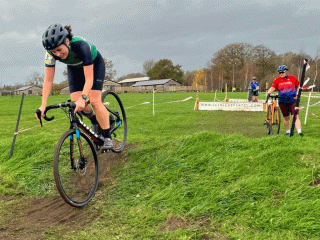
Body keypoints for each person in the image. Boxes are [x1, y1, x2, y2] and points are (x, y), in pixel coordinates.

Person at [35, 23, 113, 150]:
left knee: (94, 100)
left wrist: (83, 97)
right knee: (76, 104)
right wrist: (43, 105)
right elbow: (48, 81)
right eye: (54, 51)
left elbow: (89, 79)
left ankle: (108, 137)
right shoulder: (50, 54)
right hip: (74, 68)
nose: (57, 54)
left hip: (94, 64)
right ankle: (95, 121)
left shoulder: (81, 46)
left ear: (67, 41)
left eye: (59, 49)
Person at [266, 65, 303, 136]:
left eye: (282, 72)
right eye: (279, 73)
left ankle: (299, 132)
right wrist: (268, 92)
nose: (281, 74)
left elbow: (298, 85)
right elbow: (273, 87)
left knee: (295, 116)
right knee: (286, 117)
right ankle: (288, 131)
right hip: (282, 101)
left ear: (286, 72)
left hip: (292, 100)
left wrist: (298, 93)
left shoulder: (293, 78)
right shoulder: (277, 80)